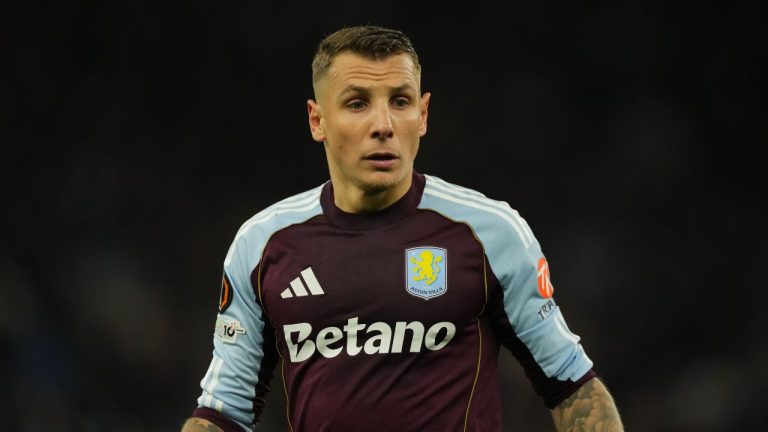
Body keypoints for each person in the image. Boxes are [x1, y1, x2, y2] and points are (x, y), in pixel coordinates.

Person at [181, 25, 623, 432]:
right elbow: (223, 412)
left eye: (400, 101)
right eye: (357, 103)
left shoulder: (491, 233)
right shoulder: (262, 245)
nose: (383, 126)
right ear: (318, 121)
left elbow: (573, 386)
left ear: (424, 114)